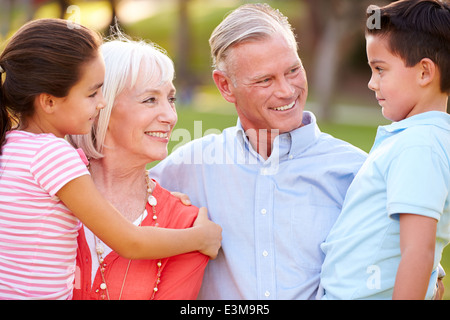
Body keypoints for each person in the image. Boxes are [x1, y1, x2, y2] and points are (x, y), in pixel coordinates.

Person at [150, 3, 367, 299]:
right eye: (265, 80)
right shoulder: (190, 165)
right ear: (226, 86)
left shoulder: (357, 171)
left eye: (293, 71)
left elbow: (412, 264)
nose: (287, 91)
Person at [0, 18, 221, 300]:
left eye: (171, 99)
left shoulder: (11, 145)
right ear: (50, 101)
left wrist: (159, 200)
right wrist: (201, 238)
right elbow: (130, 240)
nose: (170, 116)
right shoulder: (55, 160)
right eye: (93, 93)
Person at [320, 0, 450, 300]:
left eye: (380, 70)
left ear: (424, 73)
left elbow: (418, 250)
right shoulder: (416, 139)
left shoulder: (419, 145)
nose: (371, 83)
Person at [68, 34, 215, 300]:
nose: (171, 117)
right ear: (101, 107)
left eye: (171, 99)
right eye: (150, 100)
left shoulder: (186, 227)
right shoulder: (45, 195)